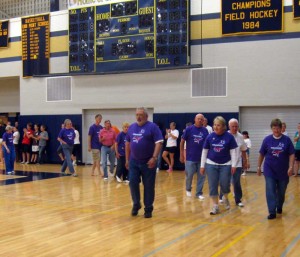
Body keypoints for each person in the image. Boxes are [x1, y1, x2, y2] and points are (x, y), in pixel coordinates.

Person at [125, 107, 163, 218]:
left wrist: (154, 157)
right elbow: (127, 144)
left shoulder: (153, 127)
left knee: (149, 186)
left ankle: (148, 208)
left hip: (148, 162)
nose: (138, 116)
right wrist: (127, 159)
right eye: (137, 114)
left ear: (146, 116)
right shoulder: (131, 127)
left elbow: (159, 143)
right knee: (132, 182)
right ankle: (136, 204)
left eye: (141, 114)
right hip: (134, 162)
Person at [257, 118, 295, 219]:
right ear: (271, 129)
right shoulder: (267, 140)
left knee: (281, 192)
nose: (276, 130)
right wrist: (258, 166)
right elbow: (261, 154)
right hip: (269, 170)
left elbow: (291, 154)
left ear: (281, 128)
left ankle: (279, 205)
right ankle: (272, 211)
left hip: (283, 171)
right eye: (274, 128)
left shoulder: (286, 140)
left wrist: (291, 167)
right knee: (270, 190)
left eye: (278, 128)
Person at [200, 116, 238, 215]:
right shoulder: (210, 137)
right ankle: (215, 206)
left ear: (224, 127)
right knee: (212, 186)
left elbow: (234, 152)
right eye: (215, 125)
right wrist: (202, 166)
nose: (216, 127)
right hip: (211, 164)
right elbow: (204, 151)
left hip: (226, 164)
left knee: (225, 185)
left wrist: (234, 165)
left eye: (218, 125)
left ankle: (225, 197)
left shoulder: (229, 137)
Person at [180, 114, 208, 200]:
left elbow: (208, 144)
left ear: (203, 121)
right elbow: (182, 142)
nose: (200, 120)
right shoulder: (189, 129)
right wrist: (181, 154)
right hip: (190, 158)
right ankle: (188, 189)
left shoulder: (205, 130)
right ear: (195, 119)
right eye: (198, 119)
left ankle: (199, 193)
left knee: (201, 176)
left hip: (202, 158)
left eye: (201, 119)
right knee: (189, 175)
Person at [227, 118, 247, 207]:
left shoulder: (240, 136)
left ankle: (238, 200)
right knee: (224, 181)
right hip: (226, 163)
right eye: (233, 126)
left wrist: (245, 161)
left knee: (236, 182)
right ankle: (222, 197)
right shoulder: (225, 135)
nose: (235, 128)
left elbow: (243, 150)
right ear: (229, 127)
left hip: (237, 163)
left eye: (236, 126)